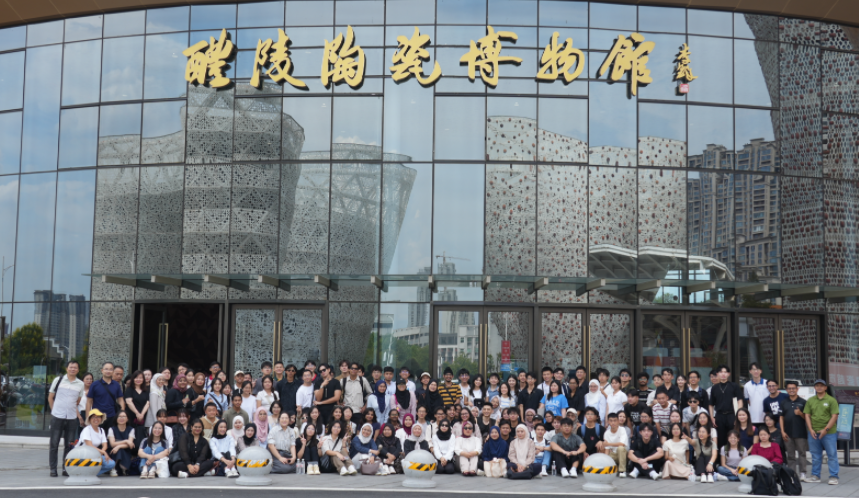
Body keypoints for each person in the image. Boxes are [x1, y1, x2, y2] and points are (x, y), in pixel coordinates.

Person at [48, 360, 85, 477]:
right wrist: (54, 411)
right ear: (67, 368)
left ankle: (66, 468)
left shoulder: (80, 384)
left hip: (71, 418)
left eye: (75, 367)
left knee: (69, 446)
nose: (73, 369)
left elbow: (78, 401)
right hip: (57, 417)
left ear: (78, 370)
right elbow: (50, 397)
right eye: (71, 367)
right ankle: (53, 469)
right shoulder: (58, 380)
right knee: (54, 444)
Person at [803, 378, 839, 485]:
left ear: (825, 388)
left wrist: (826, 429)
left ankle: (833, 476)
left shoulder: (831, 400)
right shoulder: (810, 400)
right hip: (813, 432)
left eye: (821, 386)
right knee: (815, 455)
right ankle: (815, 476)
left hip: (829, 433)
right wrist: (810, 429)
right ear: (814, 387)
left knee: (831, 455)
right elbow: (807, 415)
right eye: (817, 386)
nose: (819, 387)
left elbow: (834, 416)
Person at [780, 380, 808, 481]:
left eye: (793, 388)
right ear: (786, 390)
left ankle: (803, 473)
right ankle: (792, 473)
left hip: (800, 432)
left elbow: (807, 418)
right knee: (790, 455)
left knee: (802, 453)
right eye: (789, 388)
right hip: (787, 432)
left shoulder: (803, 402)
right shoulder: (784, 402)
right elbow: (781, 417)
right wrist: (782, 431)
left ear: (797, 389)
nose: (791, 390)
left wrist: (800, 413)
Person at [709, 365, 743, 447]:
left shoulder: (734, 386)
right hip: (719, 415)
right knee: (720, 438)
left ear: (729, 374)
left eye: (725, 372)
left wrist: (738, 416)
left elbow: (740, 401)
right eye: (721, 372)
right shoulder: (714, 388)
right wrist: (712, 417)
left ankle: (734, 453)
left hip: (732, 415)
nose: (723, 374)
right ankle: (721, 455)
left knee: (733, 436)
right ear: (717, 374)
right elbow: (711, 404)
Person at [86, 362, 126, 429]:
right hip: (97, 416)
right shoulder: (94, 384)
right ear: (102, 370)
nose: (108, 371)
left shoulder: (116, 385)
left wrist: (121, 415)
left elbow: (121, 400)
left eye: (110, 369)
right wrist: (88, 417)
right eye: (106, 369)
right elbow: (89, 402)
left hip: (112, 416)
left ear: (113, 371)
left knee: (111, 435)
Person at [77, 409, 116, 476]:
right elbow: (89, 445)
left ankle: (90, 473)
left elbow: (105, 445)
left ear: (101, 419)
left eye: (98, 417)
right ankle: (87, 471)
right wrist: (103, 452)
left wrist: (100, 453)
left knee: (111, 464)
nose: (96, 419)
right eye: (93, 417)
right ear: (89, 419)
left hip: (95, 454)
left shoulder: (101, 430)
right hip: (82, 455)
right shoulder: (87, 429)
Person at [107, 411, 136, 475]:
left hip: (126, 452)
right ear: (116, 419)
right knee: (119, 451)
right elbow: (112, 444)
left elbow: (130, 445)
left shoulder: (131, 429)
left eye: (123, 416)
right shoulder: (111, 429)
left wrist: (118, 446)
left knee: (120, 450)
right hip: (113, 452)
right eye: (119, 416)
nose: (121, 418)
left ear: (127, 419)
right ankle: (113, 468)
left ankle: (117, 468)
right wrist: (126, 441)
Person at [603, 412, 629, 478]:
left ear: (618, 421)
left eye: (615, 420)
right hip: (613, 454)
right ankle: (611, 468)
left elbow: (622, 444)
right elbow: (607, 449)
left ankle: (622, 471)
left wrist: (609, 444)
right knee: (606, 454)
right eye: (611, 421)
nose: (613, 423)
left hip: (623, 454)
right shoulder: (606, 433)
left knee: (620, 448)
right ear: (608, 422)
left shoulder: (622, 429)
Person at [743, 363, 768, 428]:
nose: (756, 371)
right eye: (754, 369)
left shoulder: (767, 383)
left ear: (761, 371)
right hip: (753, 417)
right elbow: (748, 401)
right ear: (750, 371)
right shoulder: (747, 385)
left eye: (757, 369)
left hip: (766, 417)